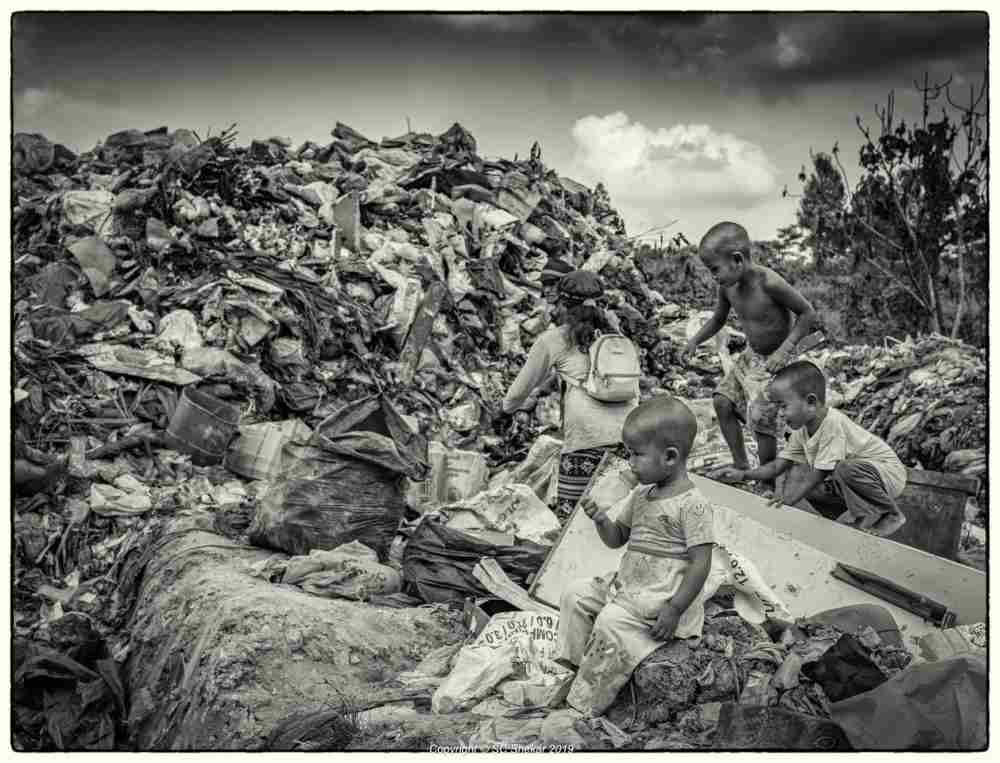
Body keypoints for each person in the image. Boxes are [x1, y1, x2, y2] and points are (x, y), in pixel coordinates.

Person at [556, 396, 716, 717]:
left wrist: (674, 609)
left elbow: (702, 564)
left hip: (660, 595)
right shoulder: (642, 494)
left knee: (611, 621)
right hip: (629, 586)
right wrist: (601, 519)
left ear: (670, 457)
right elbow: (617, 539)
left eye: (637, 455)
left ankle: (587, 702)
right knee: (576, 595)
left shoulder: (693, 505)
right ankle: (572, 668)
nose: (630, 463)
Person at [683, 222, 817, 489]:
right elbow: (718, 319)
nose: (713, 277)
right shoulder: (727, 287)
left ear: (737, 260)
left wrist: (785, 349)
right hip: (751, 357)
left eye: (714, 270)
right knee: (722, 401)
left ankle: (766, 480)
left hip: (779, 361)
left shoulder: (769, 283)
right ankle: (742, 465)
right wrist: (695, 341)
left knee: (761, 419)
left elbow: (808, 313)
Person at [714, 361, 908, 537]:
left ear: (811, 402)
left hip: (886, 474)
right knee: (800, 475)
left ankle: (893, 514)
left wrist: (787, 501)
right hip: (859, 478)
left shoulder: (832, 423)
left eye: (783, 406)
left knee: (834, 471)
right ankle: (848, 519)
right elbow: (776, 467)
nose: (780, 414)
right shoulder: (802, 431)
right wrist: (743, 475)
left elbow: (819, 474)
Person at [502, 270, 636, 517]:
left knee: (573, 523)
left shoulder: (554, 339)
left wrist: (507, 410)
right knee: (617, 519)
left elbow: (516, 393)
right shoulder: (617, 338)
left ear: (563, 304)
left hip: (584, 445)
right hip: (632, 443)